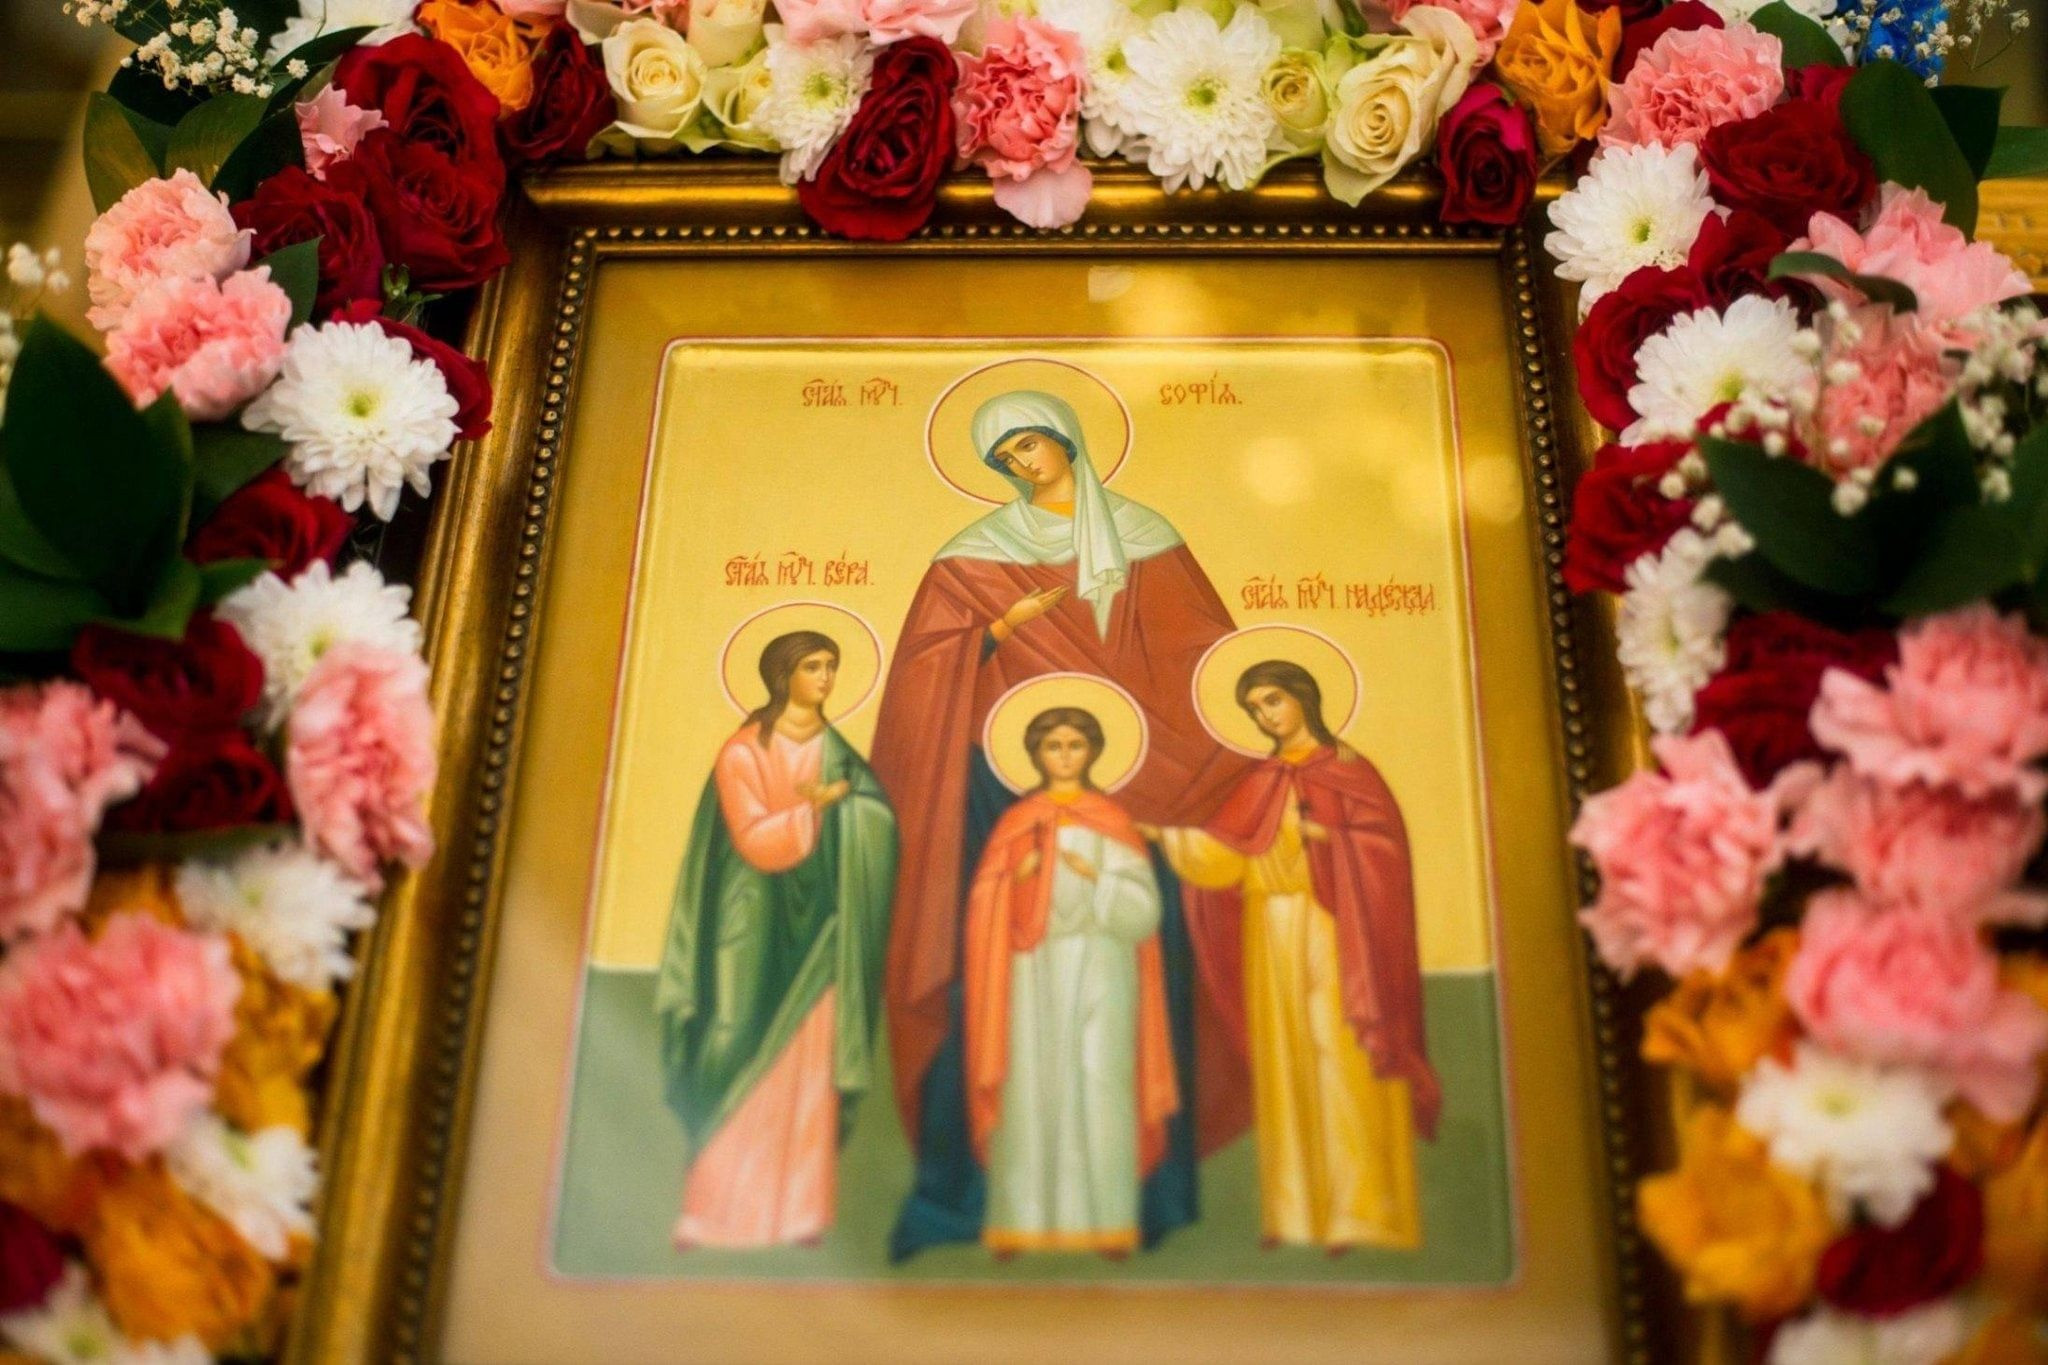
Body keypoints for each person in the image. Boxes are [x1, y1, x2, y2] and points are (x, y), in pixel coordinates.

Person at [867, 388, 1251, 1258]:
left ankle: (1141, 1195)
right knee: (984, 979)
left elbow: (1202, 664)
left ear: (1068, 439)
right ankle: (970, 1194)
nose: (1020, 464)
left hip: (1142, 784)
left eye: (1029, 444)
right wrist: (996, 631)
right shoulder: (972, 555)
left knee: (1141, 989)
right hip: (993, 782)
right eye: (1004, 457)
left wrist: (1176, 763)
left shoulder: (1147, 537)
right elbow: (925, 677)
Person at [1146, 661, 1439, 1252]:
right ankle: (1296, 1214)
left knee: (1339, 1058)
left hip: (1336, 931)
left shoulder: (1350, 772)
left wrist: (1333, 841)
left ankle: (1361, 1214)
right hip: (1270, 928)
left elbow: (1385, 853)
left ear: (1303, 698)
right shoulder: (1261, 779)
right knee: (1284, 1061)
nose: (1265, 716)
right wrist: (1167, 836)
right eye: (1255, 708)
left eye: (1273, 701)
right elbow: (1224, 856)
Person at [653, 630, 898, 1249]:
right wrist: (814, 810)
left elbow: (877, 820)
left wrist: (849, 811)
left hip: (822, 929)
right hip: (748, 921)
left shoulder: (838, 754)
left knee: (808, 1059)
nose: (826, 677)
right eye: (813, 666)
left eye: (831, 666)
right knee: (731, 1037)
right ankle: (709, 1212)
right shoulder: (744, 751)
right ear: (783, 675)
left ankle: (797, 1212)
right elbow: (753, 837)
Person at [964, 708, 1178, 1258]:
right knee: (1030, 1088)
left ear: (1092, 752)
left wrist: (1098, 879)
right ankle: (1021, 1224)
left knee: (1100, 1082)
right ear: (1036, 755)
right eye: (1053, 745)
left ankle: (1108, 1224)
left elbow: (1145, 914)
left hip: (1104, 965)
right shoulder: (1017, 824)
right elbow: (985, 906)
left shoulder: (1112, 822)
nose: (1064, 756)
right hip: (1031, 969)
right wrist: (1015, 880)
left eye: (1075, 745)